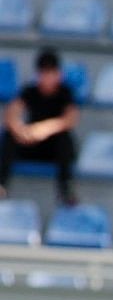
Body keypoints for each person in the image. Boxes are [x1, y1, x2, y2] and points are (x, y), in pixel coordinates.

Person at [0, 48, 78, 207]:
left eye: (51, 72)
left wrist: (43, 129)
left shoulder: (65, 92)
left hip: (52, 147)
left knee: (65, 140)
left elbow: (69, 120)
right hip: (32, 145)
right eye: (44, 73)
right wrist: (20, 130)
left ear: (58, 74)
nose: (48, 77)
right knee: (8, 137)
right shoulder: (30, 91)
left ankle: (66, 189)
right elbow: (11, 114)